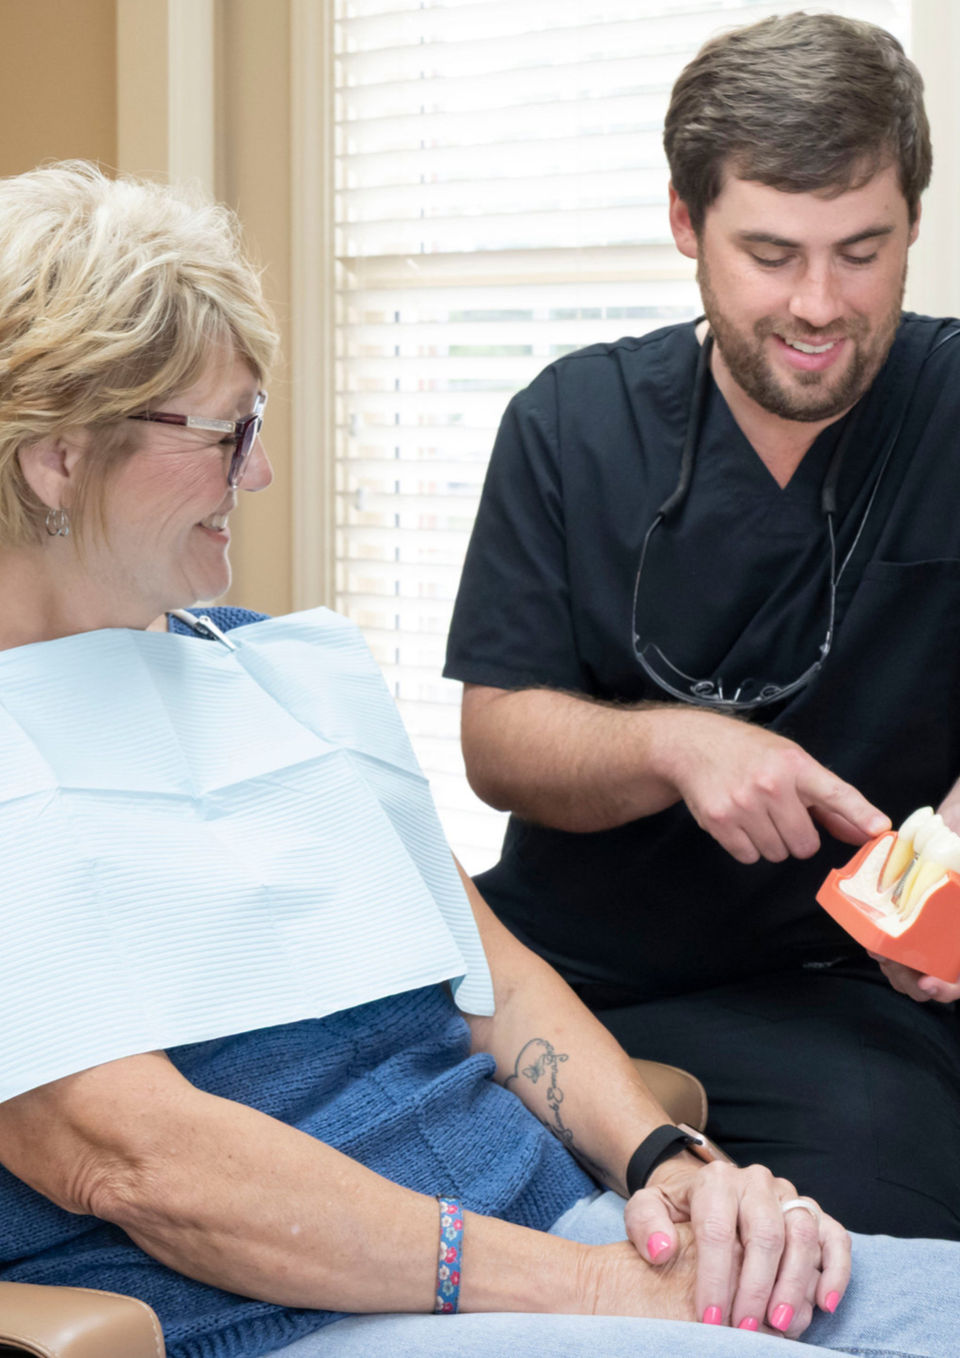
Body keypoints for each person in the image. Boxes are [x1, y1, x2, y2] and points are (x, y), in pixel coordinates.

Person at [0, 162, 956, 1358]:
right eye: (223, 431)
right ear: (58, 457)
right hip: (300, 1312)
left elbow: (488, 975)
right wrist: (600, 1287)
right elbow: (143, 1160)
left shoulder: (269, 675)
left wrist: (675, 1168)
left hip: (553, 1238)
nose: (260, 474)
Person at [444, 11, 960, 1241]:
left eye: (863, 250)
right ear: (687, 224)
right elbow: (497, 741)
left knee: (882, 1179)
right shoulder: (569, 425)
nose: (822, 304)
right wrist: (677, 746)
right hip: (576, 980)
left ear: (912, 228)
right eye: (772, 254)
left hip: (844, 993)